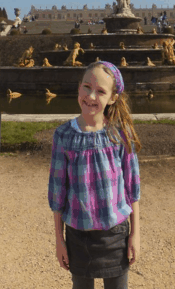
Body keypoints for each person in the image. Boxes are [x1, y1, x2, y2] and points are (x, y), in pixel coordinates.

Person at [49, 62, 141, 289]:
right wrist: (59, 241)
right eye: (86, 87)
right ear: (78, 88)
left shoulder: (121, 134)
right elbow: (58, 193)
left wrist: (135, 235)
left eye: (100, 91)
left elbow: (132, 189)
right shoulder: (63, 135)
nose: (91, 95)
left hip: (116, 235)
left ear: (112, 98)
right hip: (78, 236)